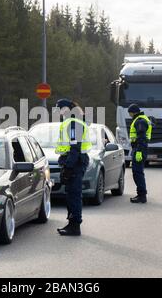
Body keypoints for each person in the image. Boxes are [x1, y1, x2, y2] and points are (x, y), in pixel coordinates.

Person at [55, 99, 92, 236]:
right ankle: (71, 223)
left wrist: (68, 167)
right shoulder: (71, 122)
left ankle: (75, 225)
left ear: (68, 108)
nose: (59, 112)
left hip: (75, 163)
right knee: (71, 194)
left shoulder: (74, 123)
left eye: (60, 108)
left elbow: (75, 148)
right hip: (72, 162)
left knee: (74, 195)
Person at [128, 104, 152, 204]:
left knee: (138, 173)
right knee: (138, 172)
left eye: (129, 113)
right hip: (140, 148)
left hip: (139, 149)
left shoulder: (140, 121)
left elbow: (141, 138)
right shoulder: (142, 119)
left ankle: (142, 196)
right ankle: (141, 195)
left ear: (133, 112)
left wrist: (138, 151)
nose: (129, 115)